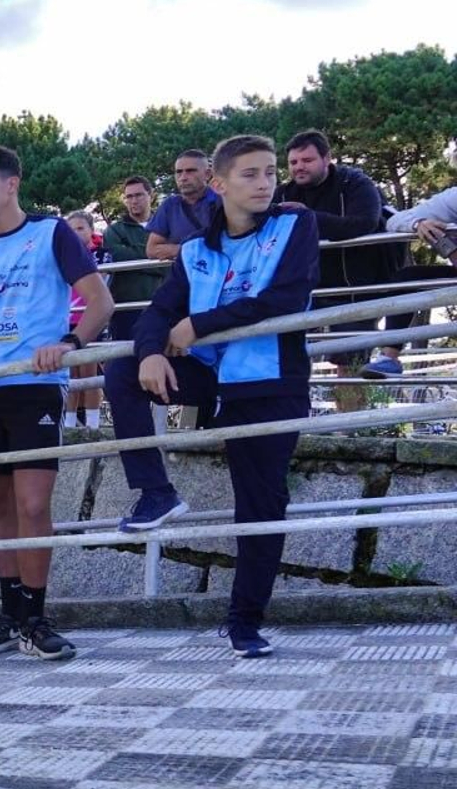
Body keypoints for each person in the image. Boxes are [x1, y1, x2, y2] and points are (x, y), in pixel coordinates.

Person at [104, 135, 318, 657]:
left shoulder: (295, 224)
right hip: (206, 379)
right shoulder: (197, 249)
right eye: (251, 174)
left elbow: (283, 299)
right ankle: (155, 491)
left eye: (270, 172)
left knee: (261, 506)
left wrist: (199, 325)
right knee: (123, 369)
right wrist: (153, 349)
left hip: (269, 384)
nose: (266, 182)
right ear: (219, 184)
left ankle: (244, 622)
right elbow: (159, 310)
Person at [0, 145, 112, 662]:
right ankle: (11, 611)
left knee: (33, 504)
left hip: (36, 386)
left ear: (11, 184)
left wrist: (68, 344)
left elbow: (100, 302)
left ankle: (37, 616)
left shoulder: (52, 232)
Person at [275, 129, 400, 398]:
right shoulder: (284, 194)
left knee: (349, 365)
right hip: (304, 287)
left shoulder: (354, 183)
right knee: (282, 354)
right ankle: (290, 425)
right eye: (293, 162)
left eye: (307, 160)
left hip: (356, 287)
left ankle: (350, 433)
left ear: (327, 158)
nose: (299, 167)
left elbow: (365, 222)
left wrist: (307, 218)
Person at [367, 187, 457, 376]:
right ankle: (389, 358)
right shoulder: (452, 198)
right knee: (406, 278)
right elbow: (394, 221)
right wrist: (418, 223)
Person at [102, 176, 167, 342]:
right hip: (126, 307)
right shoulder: (113, 231)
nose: (133, 201)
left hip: (164, 304)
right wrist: (157, 253)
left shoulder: (167, 225)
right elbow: (118, 258)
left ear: (151, 196)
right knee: (125, 361)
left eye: (138, 195)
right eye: (129, 197)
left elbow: (173, 265)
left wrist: (135, 252)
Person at [64, 212, 106, 430]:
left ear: (91, 230)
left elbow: (106, 281)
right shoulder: (63, 256)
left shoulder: (101, 254)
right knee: (70, 374)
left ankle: (92, 425)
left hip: (90, 318)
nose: (75, 233)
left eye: (80, 228)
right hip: (66, 320)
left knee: (88, 373)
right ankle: (69, 424)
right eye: (71, 230)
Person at [145, 150, 221, 261]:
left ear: (208, 174)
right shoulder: (169, 206)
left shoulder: (225, 200)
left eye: (190, 171)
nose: (183, 177)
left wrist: (174, 250)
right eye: (179, 172)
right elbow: (152, 250)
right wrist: (189, 250)